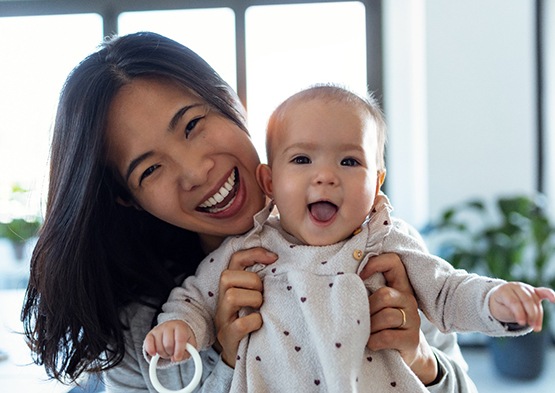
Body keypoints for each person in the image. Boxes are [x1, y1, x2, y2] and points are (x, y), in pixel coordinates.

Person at [21, 31, 478, 393]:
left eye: (193, 125)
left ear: (229, 101)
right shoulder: (138, 329)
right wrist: (224, 359)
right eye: (151, 168)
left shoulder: (367, 241)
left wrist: (419, 359)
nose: (196, 171)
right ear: (128, 198)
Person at [145, 85, 555, 392]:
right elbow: (195, 298)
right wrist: (179, 327)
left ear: (377, 184)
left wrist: (494, 301)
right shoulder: (249, 251)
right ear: (269, 181)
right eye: (302, 159)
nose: (326, 175)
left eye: (349, 160)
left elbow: (448, 292)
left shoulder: (388, 243)